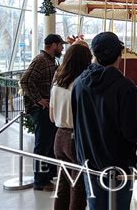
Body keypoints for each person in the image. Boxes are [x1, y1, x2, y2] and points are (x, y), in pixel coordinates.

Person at [72, 32, 137, 210]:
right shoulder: (125, 87)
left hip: (88, 161)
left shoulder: (79, 84)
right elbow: (132, 132)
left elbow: (77, 122)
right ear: (119, 55)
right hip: (118, 165)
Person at [20, 34, 67, 191]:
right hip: (40, 109)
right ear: (53, 45)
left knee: (48, 144)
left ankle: (47, 176)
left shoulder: (50, 60)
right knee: (42, 145)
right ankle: (40, 181)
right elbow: (25, 80)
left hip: (46, 108)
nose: (61, 48)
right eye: (60, 45)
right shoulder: (41, 59)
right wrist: (38, 99)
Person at [50, 44, 92, 210]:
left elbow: (52, 117)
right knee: (79, 185)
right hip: (76, 138)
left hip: (59, 136)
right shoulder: (81, 85)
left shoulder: (57, 85)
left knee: (63, 182)